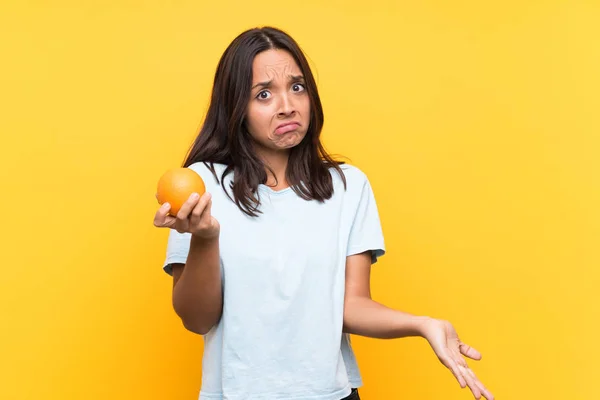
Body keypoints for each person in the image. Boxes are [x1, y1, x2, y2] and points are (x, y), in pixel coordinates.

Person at [153, 26, 494, 400]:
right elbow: (197, 319)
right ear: (236, 107)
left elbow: (351, 305)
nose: (287, 105)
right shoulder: (203, 185)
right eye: (263, 94)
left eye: (297, 87)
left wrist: (424, 324)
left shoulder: (348, 186)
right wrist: (205, 238)